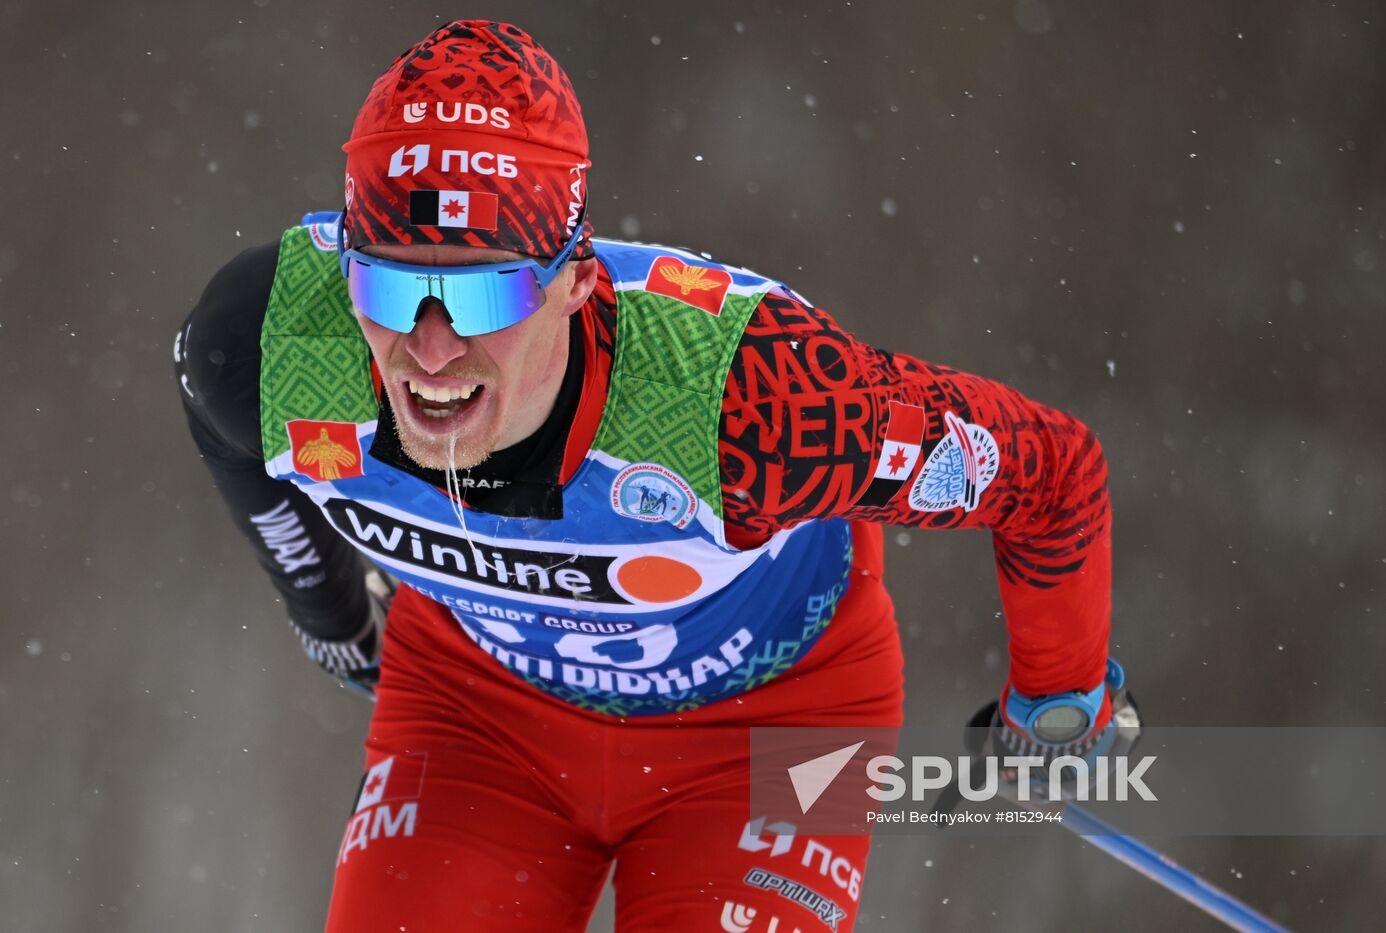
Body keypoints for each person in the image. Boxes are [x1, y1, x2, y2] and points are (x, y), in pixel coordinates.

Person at [175, 19, 1126, 932]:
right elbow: (217, 420)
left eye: (483, 291)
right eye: (390, 283)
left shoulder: (758, 403)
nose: (431, 349)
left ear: (577, 281)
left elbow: (1048, 471)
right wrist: (334, 618)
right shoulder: (273, 346)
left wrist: (1057, 707)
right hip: (478, 715)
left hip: (777, 732)